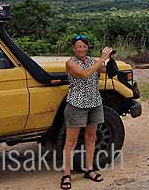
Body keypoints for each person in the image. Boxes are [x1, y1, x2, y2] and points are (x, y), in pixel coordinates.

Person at [60, 34, 112, 189]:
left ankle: (89, 169)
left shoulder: (92, 61)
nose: (81, 49)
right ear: (73, 48)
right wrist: (102, 58)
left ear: (87, 47)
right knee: (71, 141)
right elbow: (84, 74)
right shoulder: (70, 63)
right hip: (77, 104)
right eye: (78, 46)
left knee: (91, 137)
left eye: (84, 46)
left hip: (94, 103)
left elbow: (106, 70)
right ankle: (66, 174)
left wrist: (110, 59)